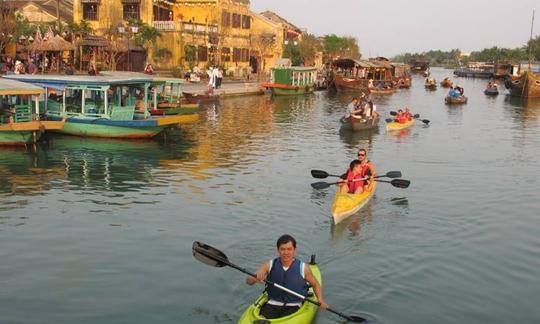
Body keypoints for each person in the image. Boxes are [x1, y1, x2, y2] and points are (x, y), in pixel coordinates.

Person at [246, 234, 328, 319]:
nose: (286, 252)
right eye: (283, 249)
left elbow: (315, 284)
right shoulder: (269, 265)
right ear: (278, 250)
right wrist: (255, 278)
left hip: (295, 305)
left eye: (289, 249)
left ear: (294, 250)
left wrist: (320, 300)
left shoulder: (303, 268)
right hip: (273, 303)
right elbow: (248, 282)